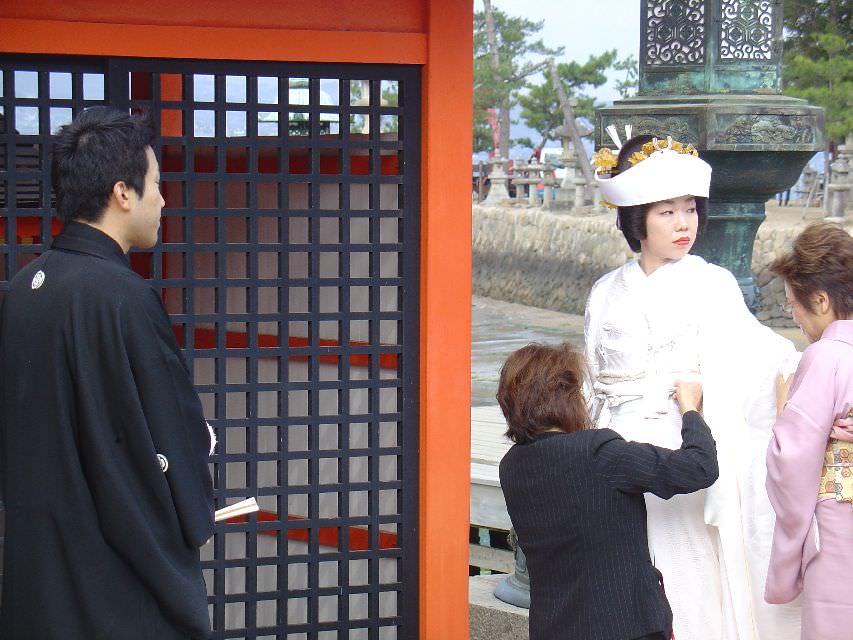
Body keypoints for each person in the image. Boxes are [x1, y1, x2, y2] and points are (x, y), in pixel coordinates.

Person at [0, 107, 215, 639]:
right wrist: (199, 451)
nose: (163, 200)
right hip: (111, 584)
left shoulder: (23, 289)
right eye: (157, 185)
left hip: (38, 570)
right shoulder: (125, 298)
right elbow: (171, 432)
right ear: (124, 193)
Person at [585, 131, 801, 640]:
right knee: (620, 574)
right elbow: (591, 380)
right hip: (612, 447)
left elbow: (762, 355)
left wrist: (807, 377)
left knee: (684, 574)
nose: (685, 224)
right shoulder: (605, 290)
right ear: (635, 219)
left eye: (690, 209)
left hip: (681, 447)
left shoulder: (712, 283)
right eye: (667, 212)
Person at [498, 342, 718, 640]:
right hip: (626, 626)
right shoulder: (595, 451)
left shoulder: (511, 466)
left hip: (554, 628)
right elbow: (698, 467)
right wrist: (691, 411)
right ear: (566, 397)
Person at [765, 222, 853, 639]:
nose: (794, 316)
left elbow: (792, 461)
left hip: (842, 522)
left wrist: (784, 410)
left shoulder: (825, 357)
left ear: (819, 300)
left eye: (792, 305)